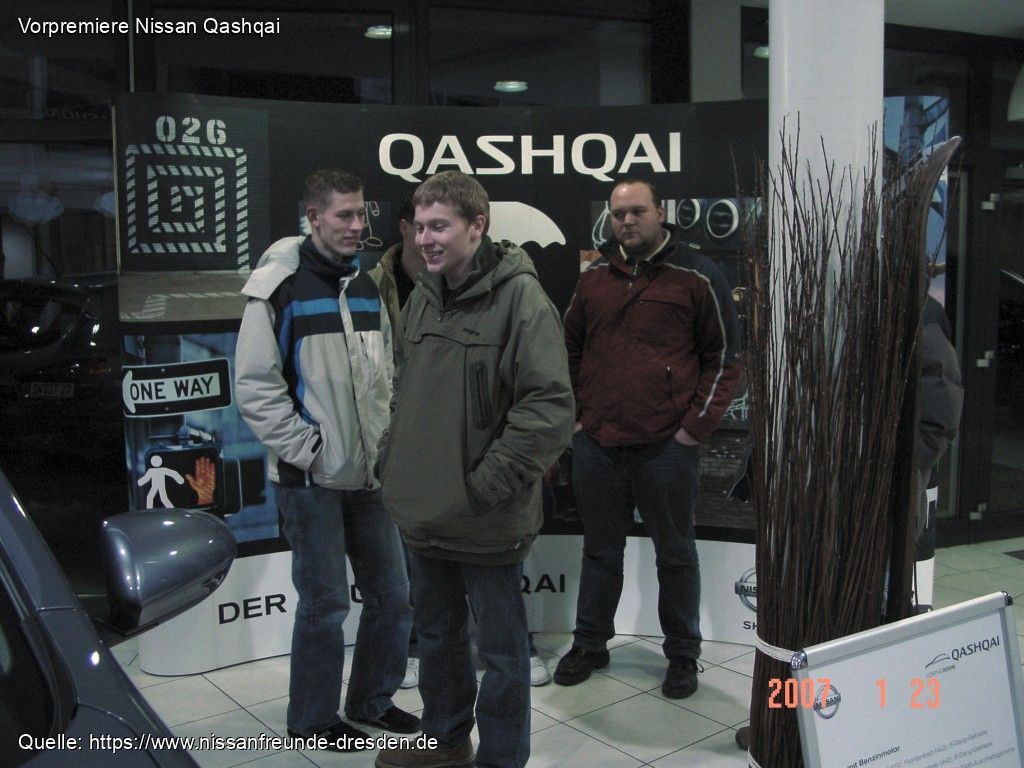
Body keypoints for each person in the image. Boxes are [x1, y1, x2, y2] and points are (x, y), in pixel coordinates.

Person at [375, 170, 575, 768]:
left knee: (503, 653)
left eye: (439, 226)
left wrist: (483, 489)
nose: (425, 239)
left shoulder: (521, 299)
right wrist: (393, 458)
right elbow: (403, 390)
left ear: (477, 226)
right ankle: (445, 740)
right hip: (424, 511)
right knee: (438, 638)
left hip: (486, 517)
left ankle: (502, 758)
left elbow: (548, 410)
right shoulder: (422, 295)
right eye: (419, 227)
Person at [234, 169, 418, 751]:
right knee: (326, 605)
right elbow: (255, 387)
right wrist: (308, 450)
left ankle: (371, 701)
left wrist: (386, 444)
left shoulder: (365, 284)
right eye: (345, 215)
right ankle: (311, 720)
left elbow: (386, 373)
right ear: (313, 218)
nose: (357, 225)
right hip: (310, 480)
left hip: (369, 475)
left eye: (362, 214)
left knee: (393, 598)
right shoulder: (278, 289)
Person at [554, 178, 742, 699]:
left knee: (675, 555)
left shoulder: (698, 276)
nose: (627, 221)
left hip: (666, 448)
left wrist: (693, 429)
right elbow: (566, 350)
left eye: (637, 211)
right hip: (598, 444)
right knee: (600, 551)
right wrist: (576, 419)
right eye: (618, 214)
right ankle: (590, 643)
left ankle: (682, 655)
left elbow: (724, 358)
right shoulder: (594, 278)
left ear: (661, 212)